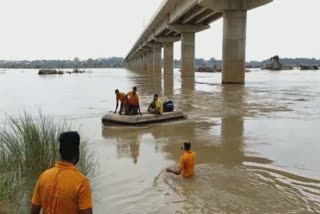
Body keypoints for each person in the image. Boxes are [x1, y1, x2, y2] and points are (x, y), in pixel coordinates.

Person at [30, 132, 93, 214]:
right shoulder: (82, 182)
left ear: (60, 152)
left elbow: (34, 211)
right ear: (77, 152)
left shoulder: (44, 176)